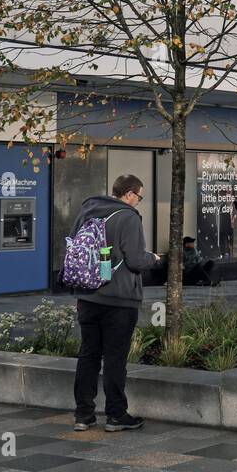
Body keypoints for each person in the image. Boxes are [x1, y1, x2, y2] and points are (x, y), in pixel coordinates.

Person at [71, 174, 160, 433]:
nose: (139, 202)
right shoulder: (128, 217)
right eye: (140, 197)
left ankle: (83, 415)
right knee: (114, 358)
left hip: (87, 296)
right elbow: (135, 260)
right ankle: (116, 415)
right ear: (130, 194)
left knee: (88, 354)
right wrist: (153, 258)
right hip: (119, 298)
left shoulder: (86, 212)